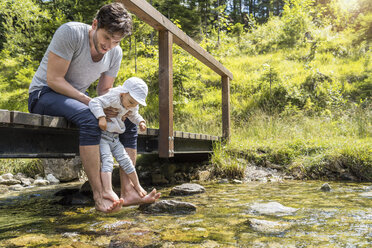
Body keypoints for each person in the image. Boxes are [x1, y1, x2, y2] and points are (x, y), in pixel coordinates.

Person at [27, 2, 160, 212]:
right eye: (106, 37)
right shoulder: (70, 33)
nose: (109, 45)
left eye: (116, 41)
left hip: (77, 99)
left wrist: (120, 107)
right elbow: (54, 80)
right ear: (95, 24)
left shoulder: (115, 52)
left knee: (127, 121)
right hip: (44, 94)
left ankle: (130, 191)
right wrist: (91, 103)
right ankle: (100, 196)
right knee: (91, 119)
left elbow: (104, 90)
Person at [89, 77, 149, 204]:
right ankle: (107, 189)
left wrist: (141, 122)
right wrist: (101, 117)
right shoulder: (113, 97)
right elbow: (94, 102)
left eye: (135, 104)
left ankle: (136, 186)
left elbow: (134, 115)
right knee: (108, 161)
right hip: (103, 137)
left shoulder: (131, 104)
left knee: (126, 161)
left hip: (115, 138)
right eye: (131, 102)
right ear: (123, 93)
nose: (132, 106)